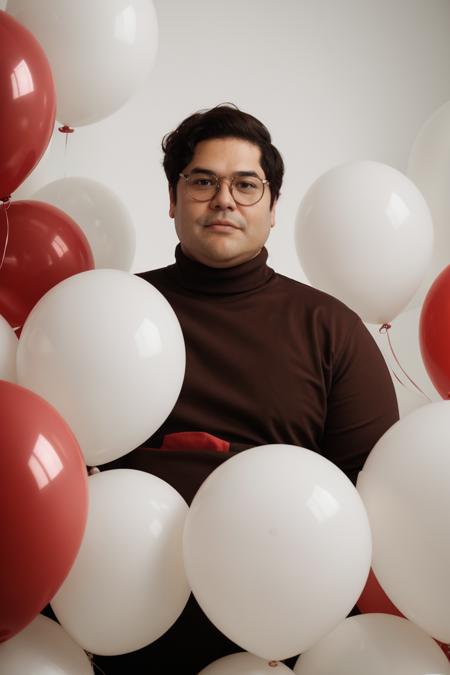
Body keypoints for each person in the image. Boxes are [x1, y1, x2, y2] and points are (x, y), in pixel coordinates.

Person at [95, 104, 399, 673]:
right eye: (203, 181)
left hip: (276, 631)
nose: (224, 200)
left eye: (246, 185)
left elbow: (376, 502)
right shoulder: (112, 315)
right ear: (171, 199)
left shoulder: (330, 329)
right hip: (116, 619)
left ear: (273, 208)